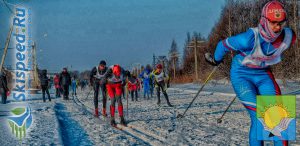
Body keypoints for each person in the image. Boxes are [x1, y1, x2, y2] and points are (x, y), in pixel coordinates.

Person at [205, 1, 296, 146]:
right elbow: (222, 45)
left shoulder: (288, 37)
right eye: (273, 23)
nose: (278, 27)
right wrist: (215, 60)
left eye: (281, 23)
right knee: (260, 114)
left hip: (263, 75)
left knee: (278, 116)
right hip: (242, 76)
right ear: (264, 21)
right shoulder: (248, 39)